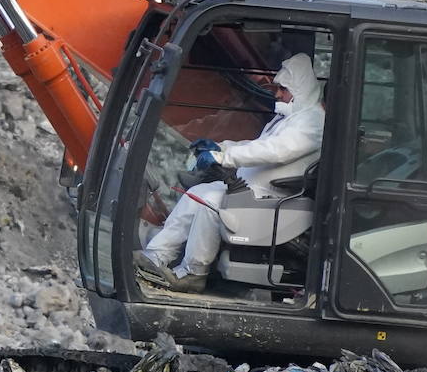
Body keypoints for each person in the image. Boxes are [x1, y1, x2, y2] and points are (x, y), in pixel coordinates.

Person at [135, 53, 324, 293]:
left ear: (299, 88)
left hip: (274, 197)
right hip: (253, 190)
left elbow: (276, 151)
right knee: (198, 193)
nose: (277, 94)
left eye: (283, 89)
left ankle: (193, 273)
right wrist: (222, 147)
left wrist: (223, 158)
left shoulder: (313, 122)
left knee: (211, 203)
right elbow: (255, 144)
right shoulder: (292, 117)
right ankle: (154, 257)